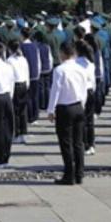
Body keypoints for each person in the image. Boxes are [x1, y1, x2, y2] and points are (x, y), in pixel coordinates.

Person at [47, 41, 88, 185]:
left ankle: (69, 175)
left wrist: (50, 110)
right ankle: (79, 173)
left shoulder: (59, 70)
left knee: (66, 143)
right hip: (78, 106)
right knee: (78, 142)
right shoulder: (81, 69)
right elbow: (84, 89)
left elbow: (55, 91)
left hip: (64, 108)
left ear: (63, 53)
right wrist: (82, 105)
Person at [74, 39, 97, 155]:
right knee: (90, 120)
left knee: (81, 121)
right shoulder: (90, 63)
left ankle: (85, 144)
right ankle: (91, 144)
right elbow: (93, 81)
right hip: (91, 91)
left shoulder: (76, 63)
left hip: (81, 92)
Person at [7, 39, 31, 144]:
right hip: (24, 84)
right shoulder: (23, 59)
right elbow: (27, 72)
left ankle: (16, 133)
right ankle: (24, 133)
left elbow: (9, 77)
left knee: (15, 111)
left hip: (15, 86)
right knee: (23, 110)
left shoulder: (9, 61)